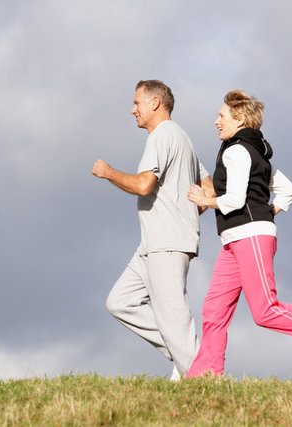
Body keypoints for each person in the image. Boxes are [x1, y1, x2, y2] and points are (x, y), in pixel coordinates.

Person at [185, 89, 292, 377]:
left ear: (239, 120)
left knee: (265, 311)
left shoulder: (237, 151)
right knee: (214, 310)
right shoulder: (256, 152)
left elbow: (235, 201)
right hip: (234, 240)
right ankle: (206, 376)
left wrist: (205, 200)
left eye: (221, 116)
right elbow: (289, 191)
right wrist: (269, 211)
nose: (216, 121)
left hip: (250, 237)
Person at [92, 80, 213, 379]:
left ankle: (205, 381)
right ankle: (183, 353)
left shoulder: (162, 136)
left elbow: (145, 185)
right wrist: (187, 210)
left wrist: (108, 173)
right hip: (152, 245)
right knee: (119, 302)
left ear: (155, 102)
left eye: (137, 103)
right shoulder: (183, 138)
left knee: (175, 321)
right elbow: (208, 186)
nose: (132, 110)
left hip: (167, 244)